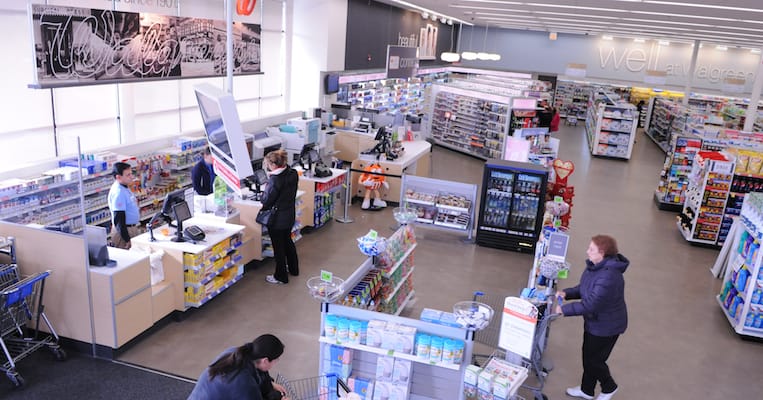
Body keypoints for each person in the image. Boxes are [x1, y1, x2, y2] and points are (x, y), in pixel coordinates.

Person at [555, 235, 628, 400]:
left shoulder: (608, 277)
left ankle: (609, 387)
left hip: (606, 326)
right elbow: (585, 288)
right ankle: (586, 390)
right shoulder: (595, 267)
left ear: (602, 253)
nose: (587, 251)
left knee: (594, 360)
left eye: (591, 249)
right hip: (596, 322)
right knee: (588, 356)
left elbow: (591, 304)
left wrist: (564, 310)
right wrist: (567, 293)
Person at [188, 334, 290, 400]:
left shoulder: (235, 352)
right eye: (276, 360)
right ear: (265, 360)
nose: (276, 363)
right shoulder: (245, 383)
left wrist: (270, 384)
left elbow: (260, 373)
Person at [260, 150, 299, 284]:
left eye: (267, 164)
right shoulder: (292, 173)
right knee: (288, 241)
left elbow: (266, 200)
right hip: (288, 215)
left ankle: (280, 276)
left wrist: (264, 190)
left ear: (273, 164)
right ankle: (294, 269)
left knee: (278, 248)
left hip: (277, 219)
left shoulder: (275, 180)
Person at [108, 162, 140, 249]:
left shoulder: (124, 186)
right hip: (124, 232)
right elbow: (119, 219)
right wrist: (127, 239)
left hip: (131, 228)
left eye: (131, 173)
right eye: (128, 175)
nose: (131, 176)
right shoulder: (118, 192)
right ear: (118, 177)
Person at [191, 148, 217, 214]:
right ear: (205, 156)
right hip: (204, 198)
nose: (214, 159)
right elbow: (197, 187)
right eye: (212, 157)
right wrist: (208, 196)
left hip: (213, 196)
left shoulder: (214, 165)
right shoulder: (197, 168)